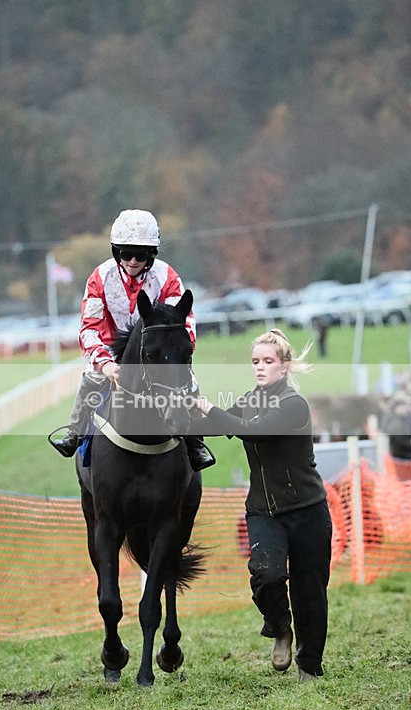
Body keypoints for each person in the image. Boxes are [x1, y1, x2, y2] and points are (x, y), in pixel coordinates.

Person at [193, 329, 332, 681]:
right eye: (255, 361)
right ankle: (279, 626)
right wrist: (175, 414)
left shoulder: (293, 405)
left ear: (284, 366)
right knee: (267, 574)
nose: (259, 368)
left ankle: (309, 666)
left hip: (307, 509)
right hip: (263, 511)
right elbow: (216, 423)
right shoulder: (249, 400)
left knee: (309, 592)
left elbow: (251, 431)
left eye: (267, 361)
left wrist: (210, 408)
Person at [49, 209, 214, 471]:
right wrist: (105, 364)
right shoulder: (100, 278)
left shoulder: (168, 277)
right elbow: (88, 328)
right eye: (126, 253)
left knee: (188, 380)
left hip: (158, 355)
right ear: (117, 252)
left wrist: (177, 353)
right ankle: (74, 433)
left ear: (152, 254)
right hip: (112, 355)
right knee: (92, 379)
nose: (133, 260)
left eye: (141, 254)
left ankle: (195, 442)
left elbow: (183, 324)